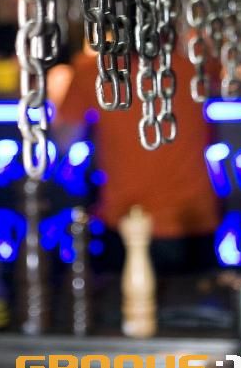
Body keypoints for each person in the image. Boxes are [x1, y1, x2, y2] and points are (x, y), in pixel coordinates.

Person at [48, 40, 219, 274]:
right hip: (193, 218)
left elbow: (65, 139)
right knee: (196, 296)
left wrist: (56, 91)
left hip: (127, 220)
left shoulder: (93, 70)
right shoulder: (195, 63)